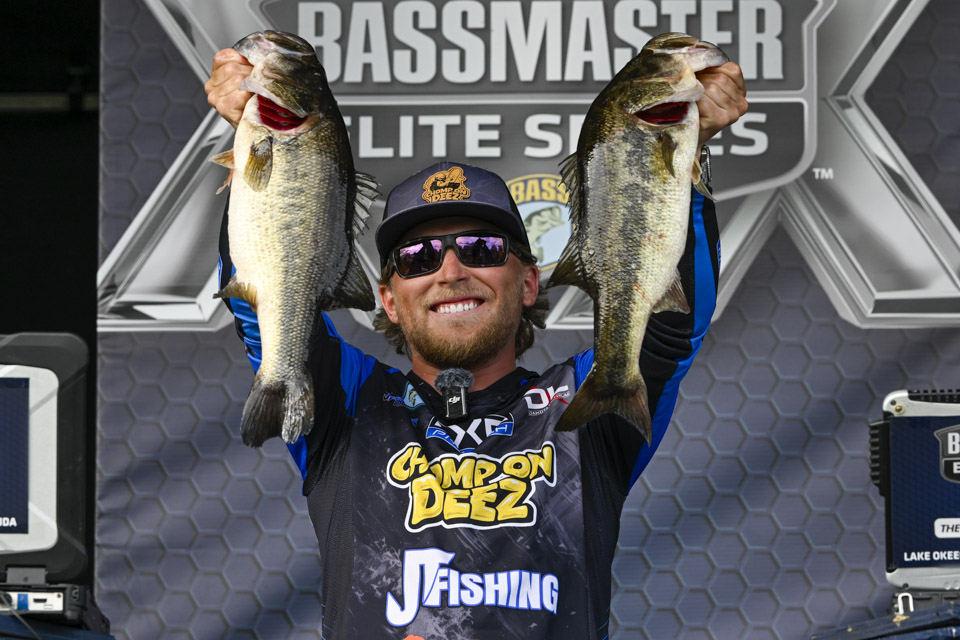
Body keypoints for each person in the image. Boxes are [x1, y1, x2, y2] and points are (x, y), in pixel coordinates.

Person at [207, 46, 747, 640]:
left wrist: (684, 153)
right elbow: (263, 302)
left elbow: (670, 324)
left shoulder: (588, 403)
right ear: (389, 298)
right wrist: (256, 142)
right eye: (417, 257)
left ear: (529, 282)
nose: (450, 270)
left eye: (482, 248)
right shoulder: (348, 402)